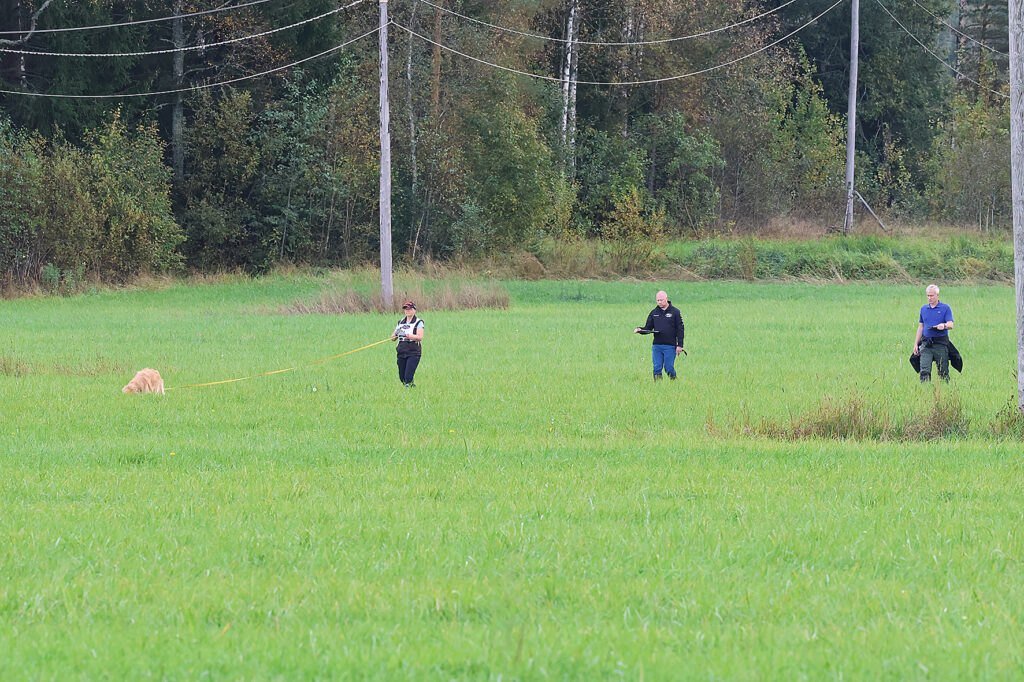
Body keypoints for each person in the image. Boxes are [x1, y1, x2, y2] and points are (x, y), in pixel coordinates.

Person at [634, 290, 685, 380]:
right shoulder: (654, 313)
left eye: (661, 300)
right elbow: (648, 328)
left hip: (670, 346)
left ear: (666, 299)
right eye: (658, 300)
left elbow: (680, 329)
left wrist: (680, 345)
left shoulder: (675, 312)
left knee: (668, 368)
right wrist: (640, 330)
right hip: (657, 345)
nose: (659, 302)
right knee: (657, 368)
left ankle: (674, 382)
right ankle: (658, 387)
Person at [912, 284, 954, 382]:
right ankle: (925, 391)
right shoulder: (923, 309)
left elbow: (951, 324)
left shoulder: (945, 308)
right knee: (924, 371)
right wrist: (915, 344)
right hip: (926, 344)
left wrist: (943, 326)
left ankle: (945, 389)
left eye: (932, 295)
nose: (929, 298)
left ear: (937, 295)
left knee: (943, 372)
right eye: (928, 295)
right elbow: (921, 326)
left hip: (940, 344)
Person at [392, 301, 424, 387]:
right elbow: (393, 338)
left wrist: (408, 335)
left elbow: (420, 337)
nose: (407, 311)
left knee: (408, 377)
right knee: (402, 378)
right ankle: (412, 389)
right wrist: (397, 333)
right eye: (406, 309)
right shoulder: (401, 322)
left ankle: (410, 390)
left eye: (409, 309)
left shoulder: (418, 322)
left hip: (413, 352)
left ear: (414, 310)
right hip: (401, 352)